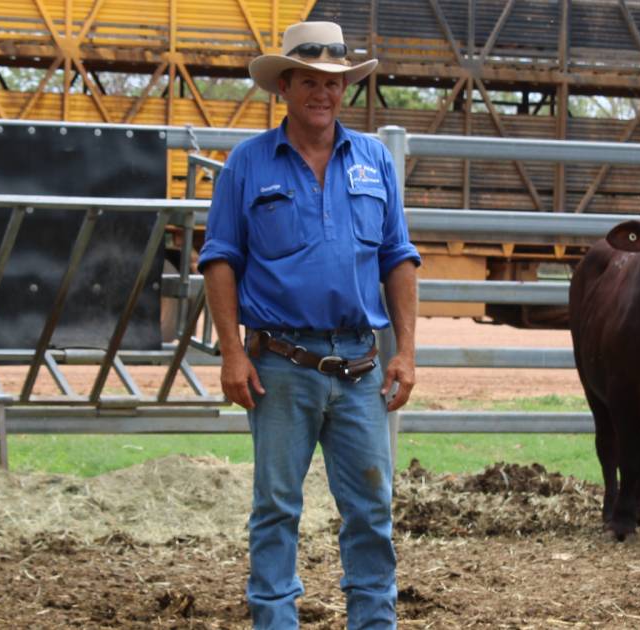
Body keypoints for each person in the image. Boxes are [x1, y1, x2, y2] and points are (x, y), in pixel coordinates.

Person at [197, 21, 420, 629]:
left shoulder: (373, 160)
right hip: (278, 364)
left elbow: (398, 258)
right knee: (275, 507)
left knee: (372, 509)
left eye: (334, 81)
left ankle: (374, 622)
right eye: (310, 80)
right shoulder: (247, 164)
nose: (323, 92)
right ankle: (274, 621)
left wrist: (406, 352)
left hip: (359, 365)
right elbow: (220, 259)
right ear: (285, 86)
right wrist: (231, 354)